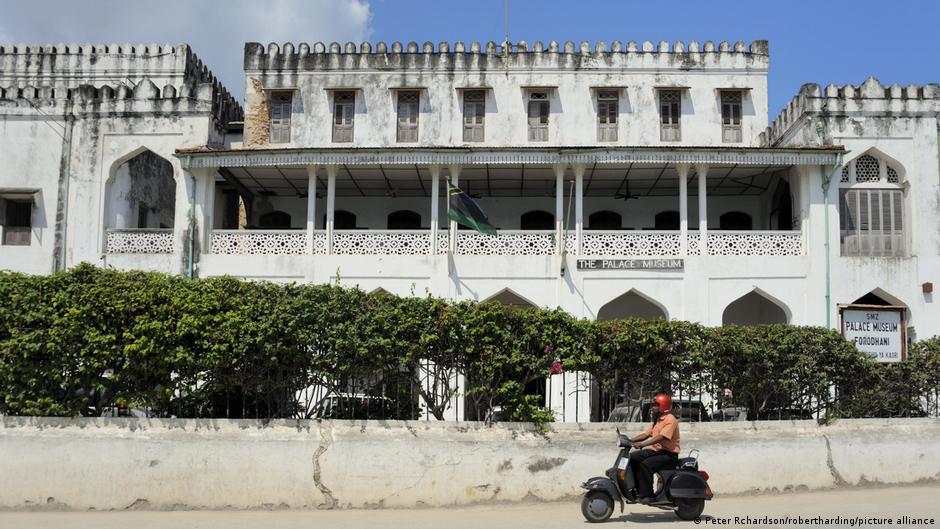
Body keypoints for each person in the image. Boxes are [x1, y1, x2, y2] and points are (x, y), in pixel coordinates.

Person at [628, 392, 680, 502]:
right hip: (657, 452)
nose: (652, 408)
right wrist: (629, 440)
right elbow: (646, 435)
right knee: (633, 457)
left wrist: (643, 445)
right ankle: (638, 490)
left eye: (655, 405)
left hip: (668, 454)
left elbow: (662, 437)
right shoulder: (658, 420)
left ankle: (649, 495)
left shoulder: (670, 419)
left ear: (663, 406)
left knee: (646, 465)